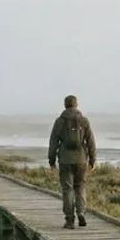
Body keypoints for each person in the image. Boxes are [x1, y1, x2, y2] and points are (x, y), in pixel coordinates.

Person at [48, 94, 96, 229]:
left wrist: (51, 161)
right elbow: (91, 142)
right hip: (81, 159)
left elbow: (53, 143)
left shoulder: (60, 121)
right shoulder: (84, 121)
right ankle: (81, 212)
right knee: (80, 186)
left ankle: (69, 220)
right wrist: (92, 159)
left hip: (65, 160)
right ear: (76, 104)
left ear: (65, 105)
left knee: (67, 189)